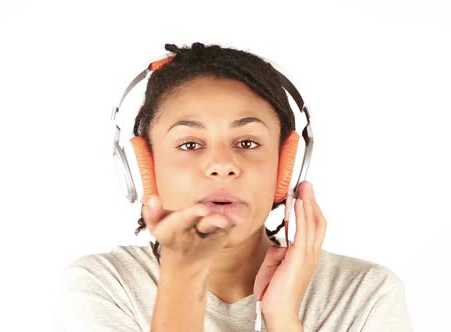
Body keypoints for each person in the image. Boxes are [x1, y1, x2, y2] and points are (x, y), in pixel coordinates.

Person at [55, 42, 413, 332]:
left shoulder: (365, 294)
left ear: (285, 165)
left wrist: (283, 320)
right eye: (190, 144)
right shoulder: (105, 285)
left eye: (247, 143)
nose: (222, 165)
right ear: (145, 168)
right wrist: (183, 275)